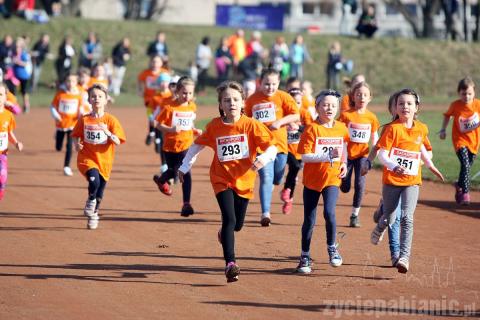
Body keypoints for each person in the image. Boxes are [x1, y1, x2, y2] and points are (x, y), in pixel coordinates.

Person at [178, 80, 277, 283]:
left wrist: (263, 159)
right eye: (226, 100)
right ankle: (230, 264)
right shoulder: (214, 126)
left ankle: (225, 235)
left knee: (237, 225)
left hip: (245, 179)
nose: (231, 103)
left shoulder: (251, 125)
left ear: (242, 103)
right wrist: (184, 166)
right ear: (220, 105)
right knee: (229, 220)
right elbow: (196, 146)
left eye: (235, 99)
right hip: (221, 178)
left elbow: (272, 148)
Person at [369, 88, 444, 273]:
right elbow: (382, 154)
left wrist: (430, 164)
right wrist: (393, 166)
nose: (405, 107)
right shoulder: (392, 129)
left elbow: (422, 149)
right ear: (395, 108)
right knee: (390, 217)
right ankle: (381, 223)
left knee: (407, 218)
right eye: (401, 103)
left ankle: (404, 257)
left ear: (416, 107)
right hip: (392, 180)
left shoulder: (421, 128)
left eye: (409, 103)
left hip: (412, 180)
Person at [295, 89, 349, 274]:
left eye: (333, 105)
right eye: (325, 105)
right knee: (309, 219)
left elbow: (344, 146)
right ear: (317, 107)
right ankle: (304, 256)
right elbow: (305, 156)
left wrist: (344, 163)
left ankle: (332, 248)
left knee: (329, 213)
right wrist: (327, 155)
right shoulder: (312, 129)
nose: (329, 108)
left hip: (332, 179)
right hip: (311, 181)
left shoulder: (341, 127)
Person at [244, 68, 299, 226]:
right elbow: (245, 120)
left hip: (280, 146)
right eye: (267, 84)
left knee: (277, 178)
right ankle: (265, 213)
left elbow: (296, 115)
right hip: (262, 147)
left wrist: (280, 122)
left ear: (278, 83)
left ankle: (278, 184)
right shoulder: (252, 99)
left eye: (274, 84)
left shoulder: (283, 96)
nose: (270, 87)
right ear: (260, 82)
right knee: (266, 177)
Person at [71, 83, 126, 229]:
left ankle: (94, 214)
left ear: (106, 99)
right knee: (94, 182)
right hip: (87, 158)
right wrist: (76, 145)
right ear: (89, 100)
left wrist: (107, 132)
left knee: (100, 192)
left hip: (105, 161)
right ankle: (90, 200)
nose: (96, 99)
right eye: (93, 96)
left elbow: (117, 141)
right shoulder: (84, 119)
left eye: (100, 96)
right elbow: (75, 135)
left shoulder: (111, 120)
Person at [153, 76, 201, 216]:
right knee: (173, 171)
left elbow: (190, 123)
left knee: (186, 172)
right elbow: (157, 124)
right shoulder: (169, 108)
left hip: (186, 144)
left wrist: (194, 130)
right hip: (170, 147)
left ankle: (186, 204)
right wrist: (171, 130)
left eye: (190, 93)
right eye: (184, 93)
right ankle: (161, 180)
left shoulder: (192, 106)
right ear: (177, 92)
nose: (187, 96)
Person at [338, 82, 379, 227]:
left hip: (363, 155)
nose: (362, 97)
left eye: (365, 95)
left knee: (360, 184)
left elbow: (375, 136)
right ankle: (343, 183)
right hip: (346, 155)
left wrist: (373, 154)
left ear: (370, 98)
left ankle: (354, 215)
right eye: (358, 94)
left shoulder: (371, 117)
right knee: (345, 186)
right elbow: (337, 132)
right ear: (353, 97)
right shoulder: (346, 115)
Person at [439, 77, 480, 205]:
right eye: (463, 94)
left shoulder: (478, 105)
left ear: (474, 93)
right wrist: (443, 130)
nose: (466, 96)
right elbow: (447, 116)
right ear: (459, 93)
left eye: (469, 94)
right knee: (466, 165)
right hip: (459, 140)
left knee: (466, 166)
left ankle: (459, 185)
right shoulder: (456, 105)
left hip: (474, 141)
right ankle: (465, 193)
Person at [279, 87, 315, 215]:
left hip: (299, 149)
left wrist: (298, 127)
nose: (296, 105)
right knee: (291, 167)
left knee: (294, 172)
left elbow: (311, 129)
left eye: (298, 102)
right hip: (284, 147)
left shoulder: (304, 113)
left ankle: (288, 197)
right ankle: (284, 188)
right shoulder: (283, 113)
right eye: (293, 102)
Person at [50, 73, 83, 176]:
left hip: (72, 124)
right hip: (60, 124)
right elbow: (52, 106)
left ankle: (66, 166)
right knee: (58, 147)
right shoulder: (60, 94)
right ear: (65, 82)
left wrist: (81, 115)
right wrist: (56, 116)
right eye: (68, 81)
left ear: (76, 82)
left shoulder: (78, 94)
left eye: (73, 81)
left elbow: (80, 107)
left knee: (70, 146)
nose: (70, 83)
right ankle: (57, 136)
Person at [137, 55, 168, 146]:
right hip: (149, 99)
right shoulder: (146, 73)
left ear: (161, 63)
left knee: (159, 118)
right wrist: (139, 90)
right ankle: (152, 134)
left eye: (157, 61)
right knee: (152, 117)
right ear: (150, 63)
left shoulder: (164, 72)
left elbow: (169, 84)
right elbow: (139, 80)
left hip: (161, 99)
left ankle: (156, 136)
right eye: (153, 61)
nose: (155, 63)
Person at [0, 83, 23, 201]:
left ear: (5, 97)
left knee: (2, 176)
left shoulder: (8, 115)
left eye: (1, 95)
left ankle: (1, 191)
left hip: (2, 153)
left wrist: (16, 142)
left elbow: (8, 133)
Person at [149, 72, 173, 169]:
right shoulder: (156, 97)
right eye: (162, 82)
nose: (164, 84)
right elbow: (150, 110)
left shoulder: (172, 96)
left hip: (169, 123)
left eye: (166, 82)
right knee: (162, 141)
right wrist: (151, 117)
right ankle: (164, 164)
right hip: (159, 122)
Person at [12, 37, 31, 113]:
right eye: (16, 47)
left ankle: (26, 105)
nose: (17, 49)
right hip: (15, 76)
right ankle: (15, 105)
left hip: (23, 76)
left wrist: (18, 62)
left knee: (24, 91)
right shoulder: (13, 54)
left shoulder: (23, 54)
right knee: (14, 91)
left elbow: (26, 63)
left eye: (18, 47)